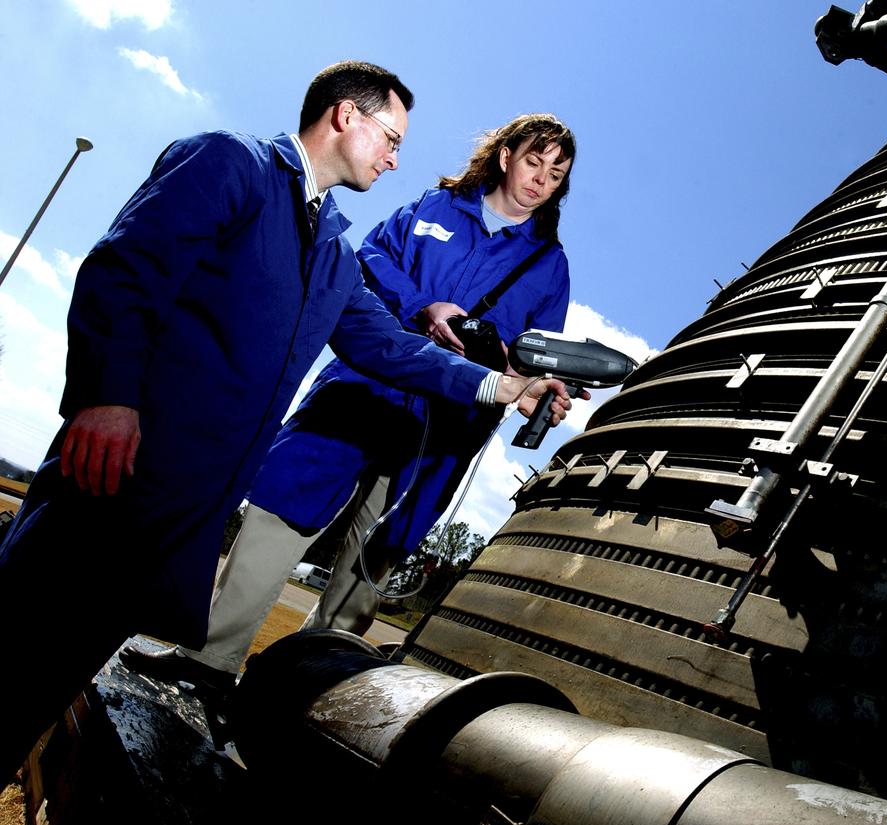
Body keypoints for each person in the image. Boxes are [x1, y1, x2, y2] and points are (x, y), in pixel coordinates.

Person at [0, 63, 573, 775]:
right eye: (390, 137)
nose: (396, 156)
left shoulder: (330, 248)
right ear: (344, 117)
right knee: (15, 650)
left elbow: (386, 347)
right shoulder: (231, 162)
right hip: (118, 465)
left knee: (45, 686)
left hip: (182, 504)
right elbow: (125, 270)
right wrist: (107, 399)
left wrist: (501, 386)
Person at [120, 114, 579, 689]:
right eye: (534, 162)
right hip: (365, 383)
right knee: (281, 502)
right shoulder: (434, 208)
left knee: (380, 549)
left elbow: (538, 355)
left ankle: (301, 694)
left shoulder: (549, 265)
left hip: (448, 421)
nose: (541, 180)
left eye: (556, 174)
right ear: (507, 156)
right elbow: (370, 259)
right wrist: (426, 307)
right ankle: (208, 660)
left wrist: (533, 384)